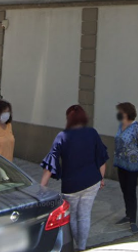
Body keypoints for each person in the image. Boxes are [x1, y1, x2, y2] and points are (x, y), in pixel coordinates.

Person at [40, 105, 109, 251]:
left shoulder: (62, 136)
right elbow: (102, 158)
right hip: (92, 181)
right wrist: (101, 178)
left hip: (71, 185)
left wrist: (42, 187)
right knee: (84, 215)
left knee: (71, 217)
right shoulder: (92, 133)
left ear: (68, 119)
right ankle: (82, 246)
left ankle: (77, 246)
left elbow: (50, 163)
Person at [113, 102, 138, 233]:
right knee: (124, 189)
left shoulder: (136, 127)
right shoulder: (121, 125)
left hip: (132, 165)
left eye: (120, 112)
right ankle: (128, 214)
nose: (118, 114)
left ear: (127, 113)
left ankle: (133, 220)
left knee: (131, 191)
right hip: (121, 163)